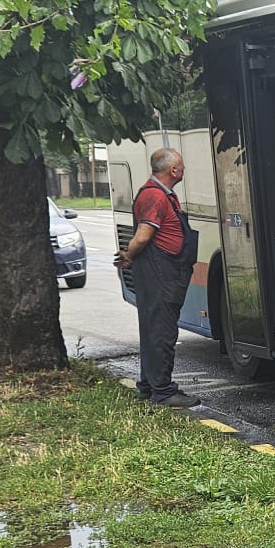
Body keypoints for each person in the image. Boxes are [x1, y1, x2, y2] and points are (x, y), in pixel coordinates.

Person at [115, 149, 200, 407]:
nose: (184, 170)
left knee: (154, 330)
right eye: (181, 166)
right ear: (173, 170)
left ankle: (148, 386)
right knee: (162, 331)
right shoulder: (155, 196)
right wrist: (128, 255)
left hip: (164, 272)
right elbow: (143, 236)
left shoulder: (162, 194)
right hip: (159, 274)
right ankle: (162, 390)